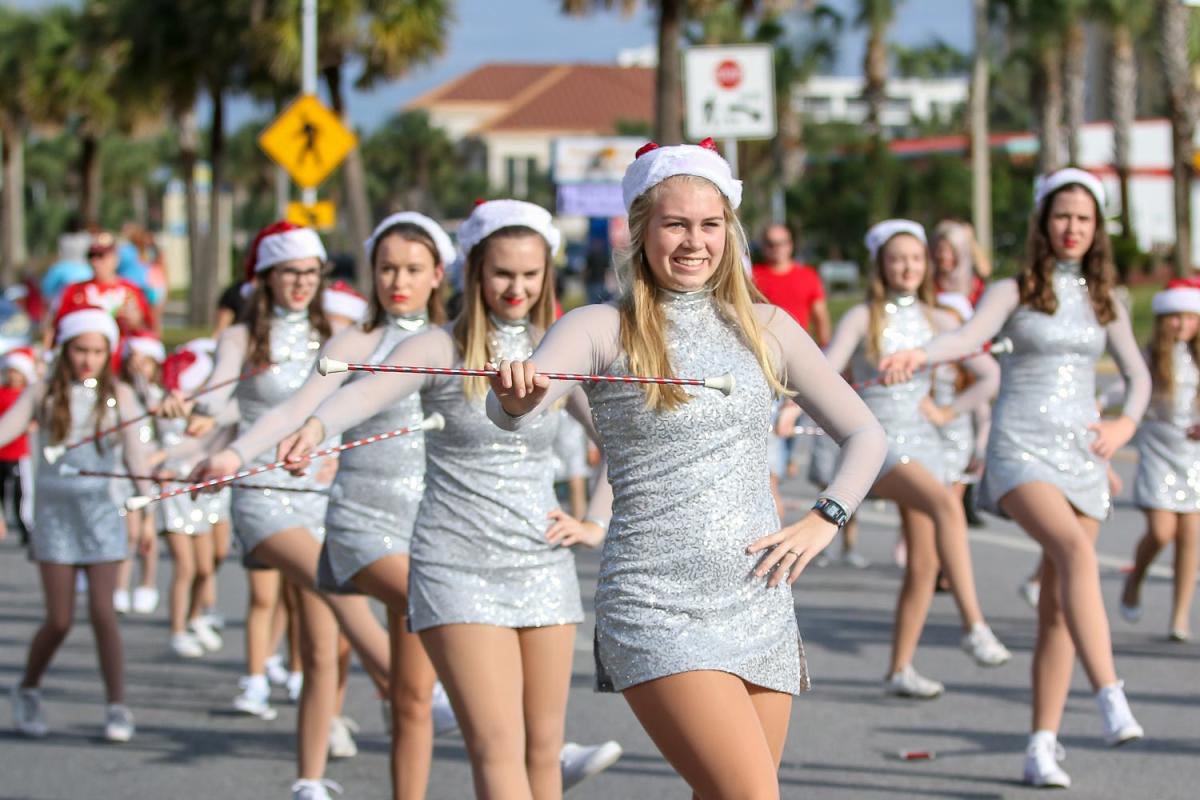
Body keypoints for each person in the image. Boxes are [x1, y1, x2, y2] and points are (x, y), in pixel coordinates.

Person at [486, 139, 887, 799]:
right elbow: (527, 401)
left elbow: (866, 433)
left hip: (758, 598)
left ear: (729, 232)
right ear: (642, 231)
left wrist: (826, 517)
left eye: (709, 225)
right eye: (675, 224)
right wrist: (517, 396)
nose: (693, 241)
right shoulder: (596, 328)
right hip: (655, 604)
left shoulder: (768, 327)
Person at [274, 200, 622, 799]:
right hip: (454, 565)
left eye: (529, 274)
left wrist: (594, 521)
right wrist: (315, 427)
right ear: (475, 273)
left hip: (542, 563)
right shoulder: (441, 346)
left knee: (544, 750)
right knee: (496, 747)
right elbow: (367, 391)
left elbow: (621, 445)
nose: (516, 287)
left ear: (546, 277)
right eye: (502, 273)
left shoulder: (557, 350)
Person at [880, 168, 1149, 789]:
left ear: (1096, 226)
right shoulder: (1013, 288)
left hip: (1083, 453)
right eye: (1062, 216)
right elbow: (968, 337)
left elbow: (1138, 376)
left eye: (1083, 218)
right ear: (1042, 222)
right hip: (1021, 448)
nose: (1072, 228)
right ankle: (1110, 693)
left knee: (1059, 607)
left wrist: (1125, 428)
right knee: (1076, 551)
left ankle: (1041, 746)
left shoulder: (1107, 296)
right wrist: (921, 354)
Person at [193, 211, 459, 800]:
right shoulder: (349, 340)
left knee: (349, 663)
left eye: (412, 269)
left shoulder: (452, 341)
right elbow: (287, 410)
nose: (398, 279)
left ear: (437, 273)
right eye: (387, 267)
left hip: (422, 515)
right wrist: (227, 450)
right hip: (335, 508)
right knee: (421, 613)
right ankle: (481, 711)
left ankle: (315, 778)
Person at [167, 221, 390, 800]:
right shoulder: (242, 338)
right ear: (265, 277)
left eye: (310, 273)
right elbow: (217, 395)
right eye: (289, 272)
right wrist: (189, 407)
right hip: (262, 495)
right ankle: (410, 688)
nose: (300, 283)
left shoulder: (339, 333)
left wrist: (337, 453)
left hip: (321, 493)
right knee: (337, 585)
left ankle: (309, 779)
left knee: (324, 644)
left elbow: (362, 405)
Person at [819, 219, 1010, 698]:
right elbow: (823, 369)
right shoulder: (864, 317)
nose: (907, 267)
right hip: (879, 444)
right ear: (881, 264)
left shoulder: (940, 320)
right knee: (947, 507)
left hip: (926, 443)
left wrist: (948, 411)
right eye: (897, 258)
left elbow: (989, 376)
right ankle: (974, 625)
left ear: (926, 265)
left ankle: (900, 669)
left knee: (924, 563)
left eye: (916, 258)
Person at [2, 307, 153, 742]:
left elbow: (136, 458)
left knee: (105, 614)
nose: (88, 359)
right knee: (60, 620)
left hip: (103, 515)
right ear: (65, 350)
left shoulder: (121, 395)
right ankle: (28, 688)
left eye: (98, 351)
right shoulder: (43, 392)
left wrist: (144, 511)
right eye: (80, 350)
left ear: (110, 353)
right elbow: (6, 430)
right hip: (55, 519)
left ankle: (117, 706)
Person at [1119, 279, 1200, 643]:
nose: (1182, 324)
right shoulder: (1150, 358)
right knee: (1161, 531)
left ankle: (1179, 618)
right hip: (1158, 450)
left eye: (1190, 317)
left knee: (1190, 537)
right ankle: (1135, 579)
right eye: (1175, 317)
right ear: (1162, 319)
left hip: (1193, 456)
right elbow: (1123, 388)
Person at [51, 233, 155, 363]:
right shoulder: (74, 290)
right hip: (84, 364)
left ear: (115, 259)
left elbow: (149, 329)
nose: (95, 262)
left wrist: (136, 323)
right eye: (92, 256)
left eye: (101, 256)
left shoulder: (131, 291)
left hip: (121, 363)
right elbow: (57, 328)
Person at [0, 347, 36, 545]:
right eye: (10, 371)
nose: (13, 376)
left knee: (21, 493)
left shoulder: (27, 394)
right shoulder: (1, 393)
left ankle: (25, 525)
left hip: (18, 453)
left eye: (17, 371)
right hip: (1, 451)